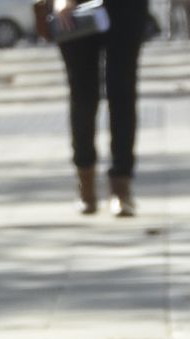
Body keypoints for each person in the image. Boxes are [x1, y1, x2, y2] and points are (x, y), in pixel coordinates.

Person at [53, 0, 148, 217]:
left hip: (125, 8)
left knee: (122, 90)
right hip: (73, 6)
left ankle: (121, 189)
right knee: (83, 95)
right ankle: (85, 184)